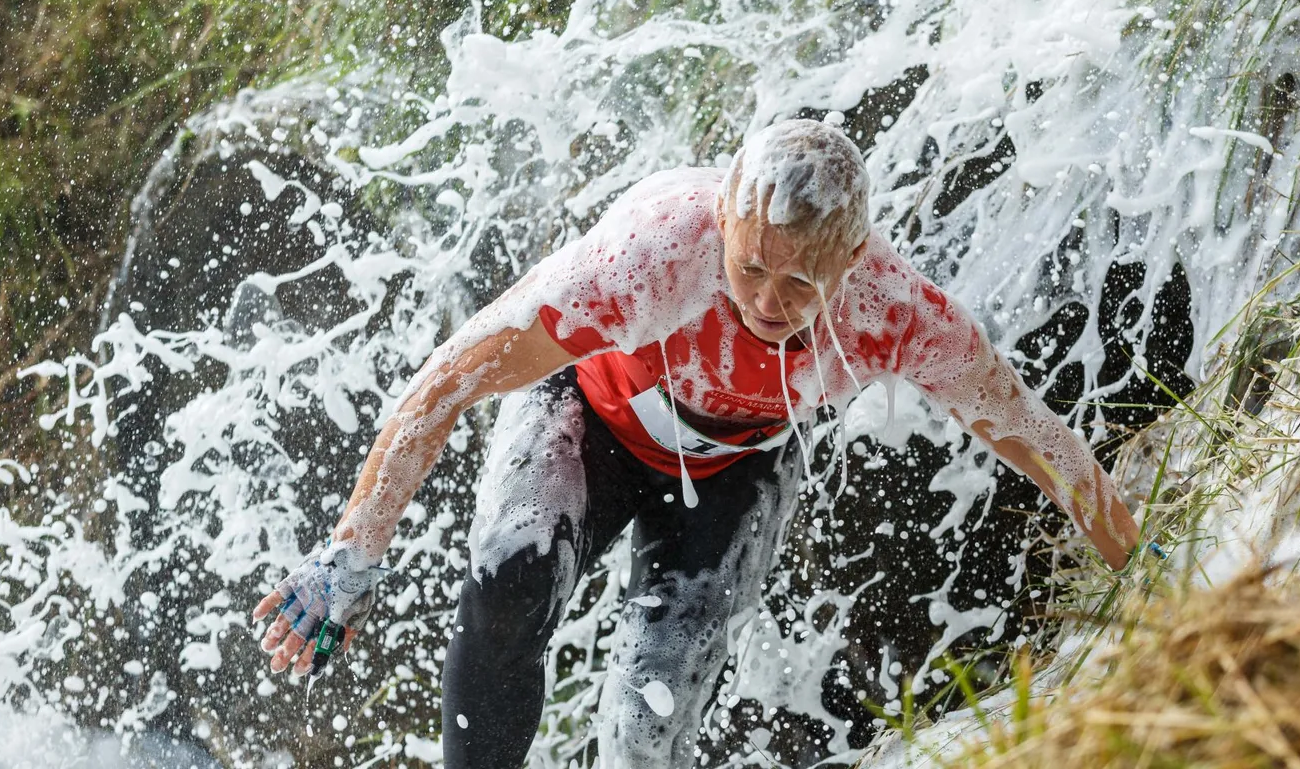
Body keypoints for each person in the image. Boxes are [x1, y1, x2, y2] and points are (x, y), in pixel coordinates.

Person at [251, 118, 1142, 767]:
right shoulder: (651, 257)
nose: (765, 299)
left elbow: (1030, 432)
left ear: (853, 257)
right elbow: (452, 375)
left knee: (649, 721)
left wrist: (1137, 564)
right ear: (721, 218)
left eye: (800, 281)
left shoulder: (893, 314)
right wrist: (352, 553)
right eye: (750, 265)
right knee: (509, 576)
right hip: (589, 419)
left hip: (735, 468)